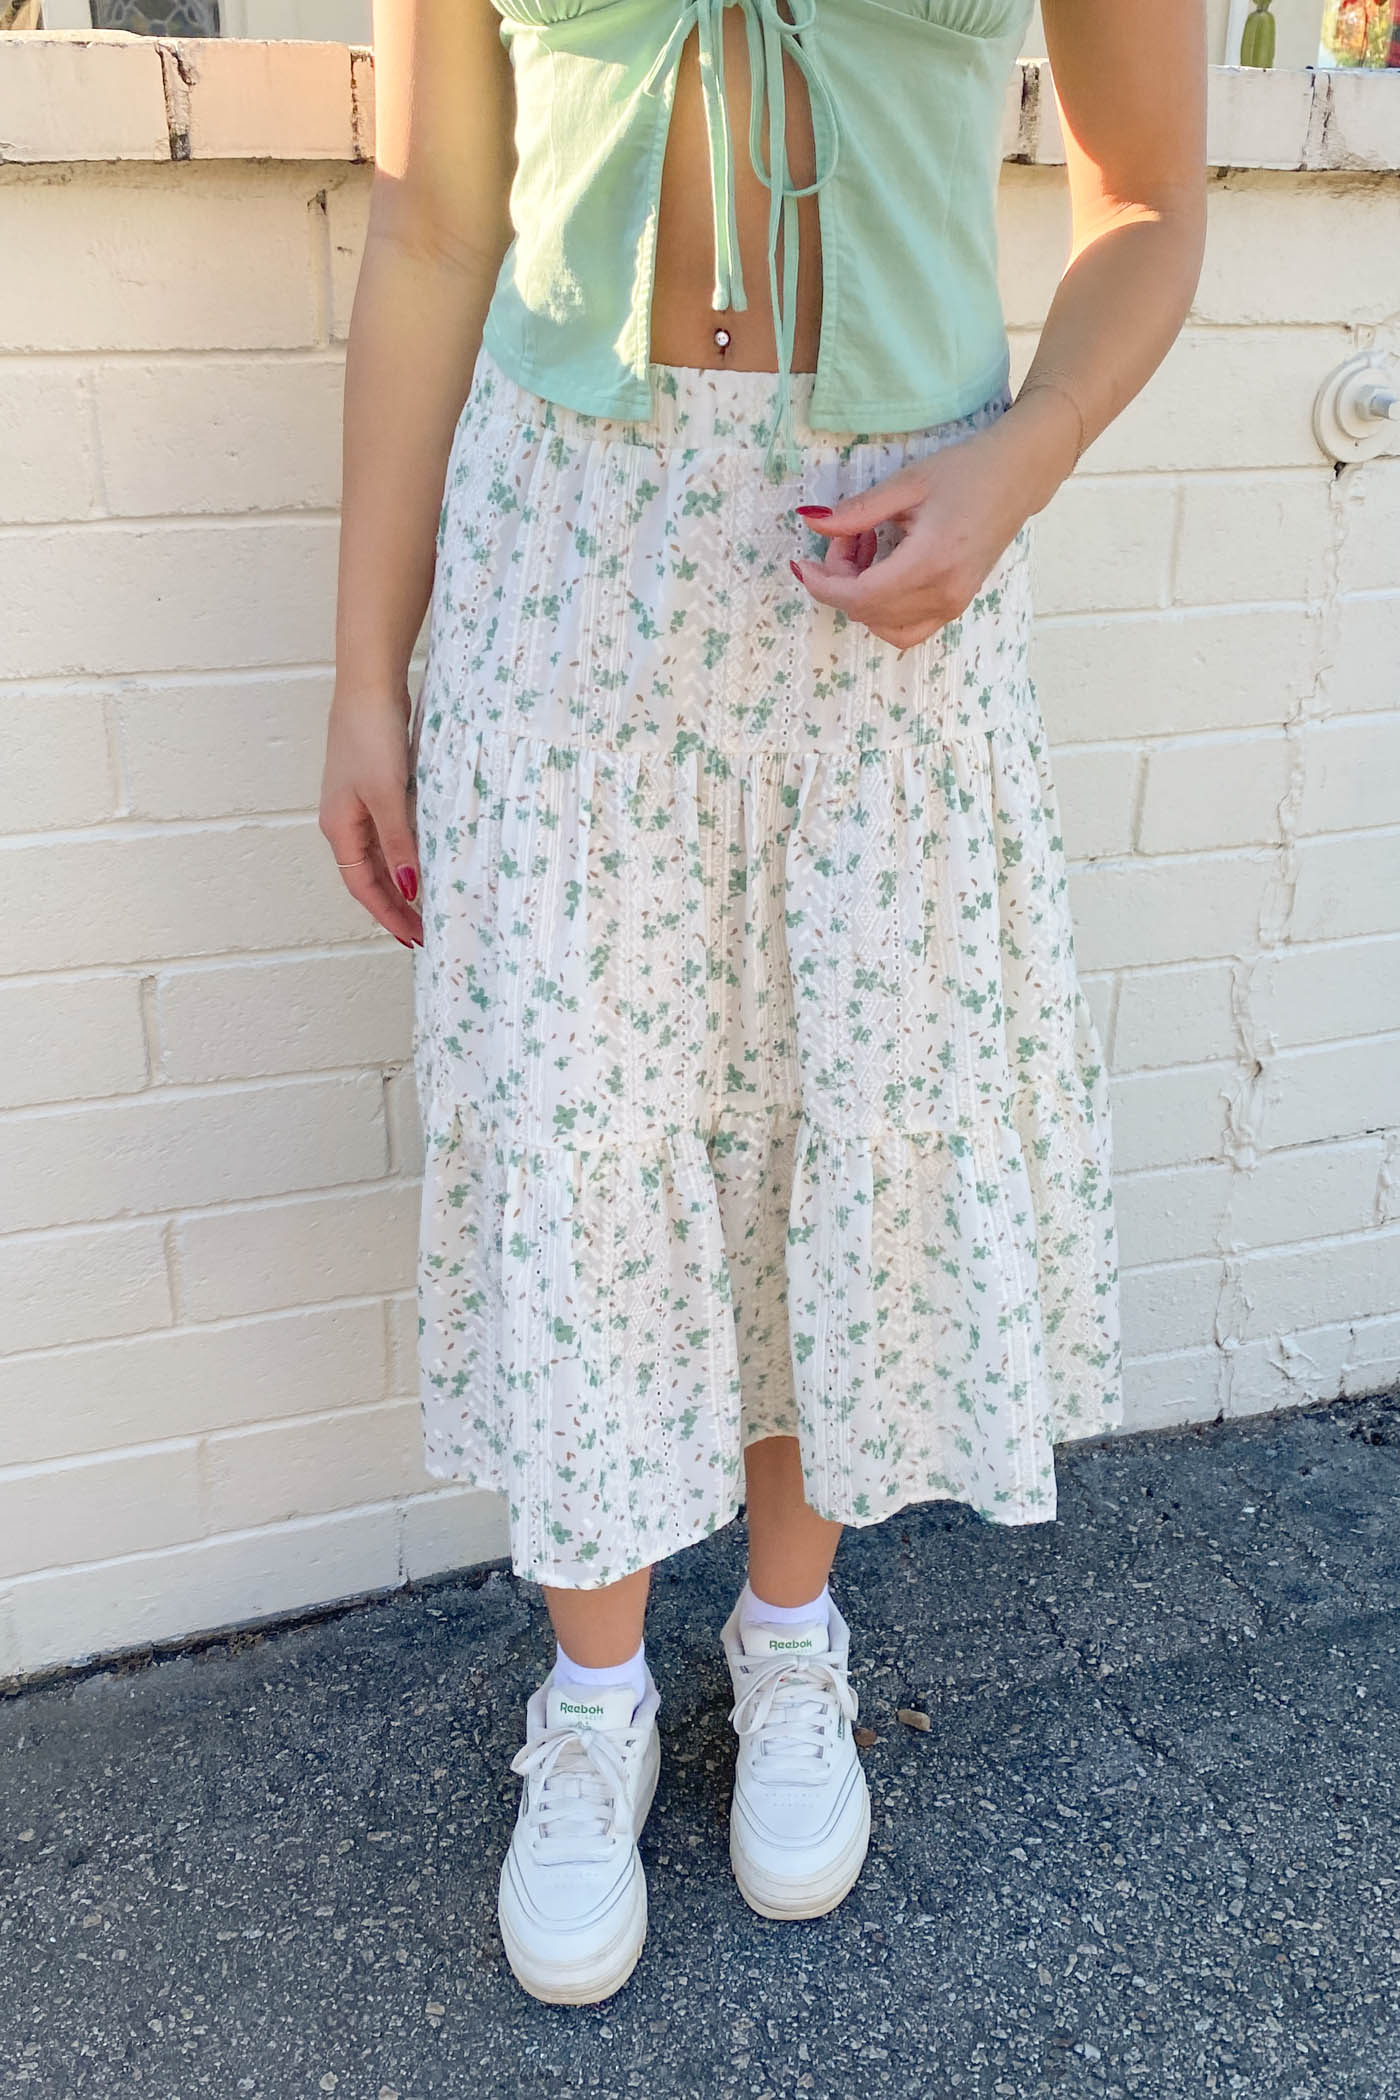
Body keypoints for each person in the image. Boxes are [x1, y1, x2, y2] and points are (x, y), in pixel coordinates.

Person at [321, 0, 1206, 2006]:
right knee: (582, 1137)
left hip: (895, 564)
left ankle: (791, 1641)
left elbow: (1147, 202)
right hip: (568, 568)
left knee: (839, 1115)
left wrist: (1026, 458)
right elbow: (436, 221)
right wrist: (364, 666)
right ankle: (594, 1691)